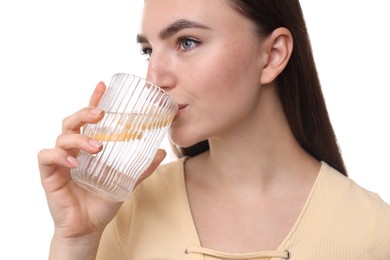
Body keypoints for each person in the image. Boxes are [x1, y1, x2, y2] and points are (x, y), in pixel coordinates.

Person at [37, 0, 390, 259]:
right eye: (149, 51)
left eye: (187, 42)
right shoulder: (124, 206)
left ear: (272, 55)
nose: (155, 79)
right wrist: (75, 239)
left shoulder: (371, 230)